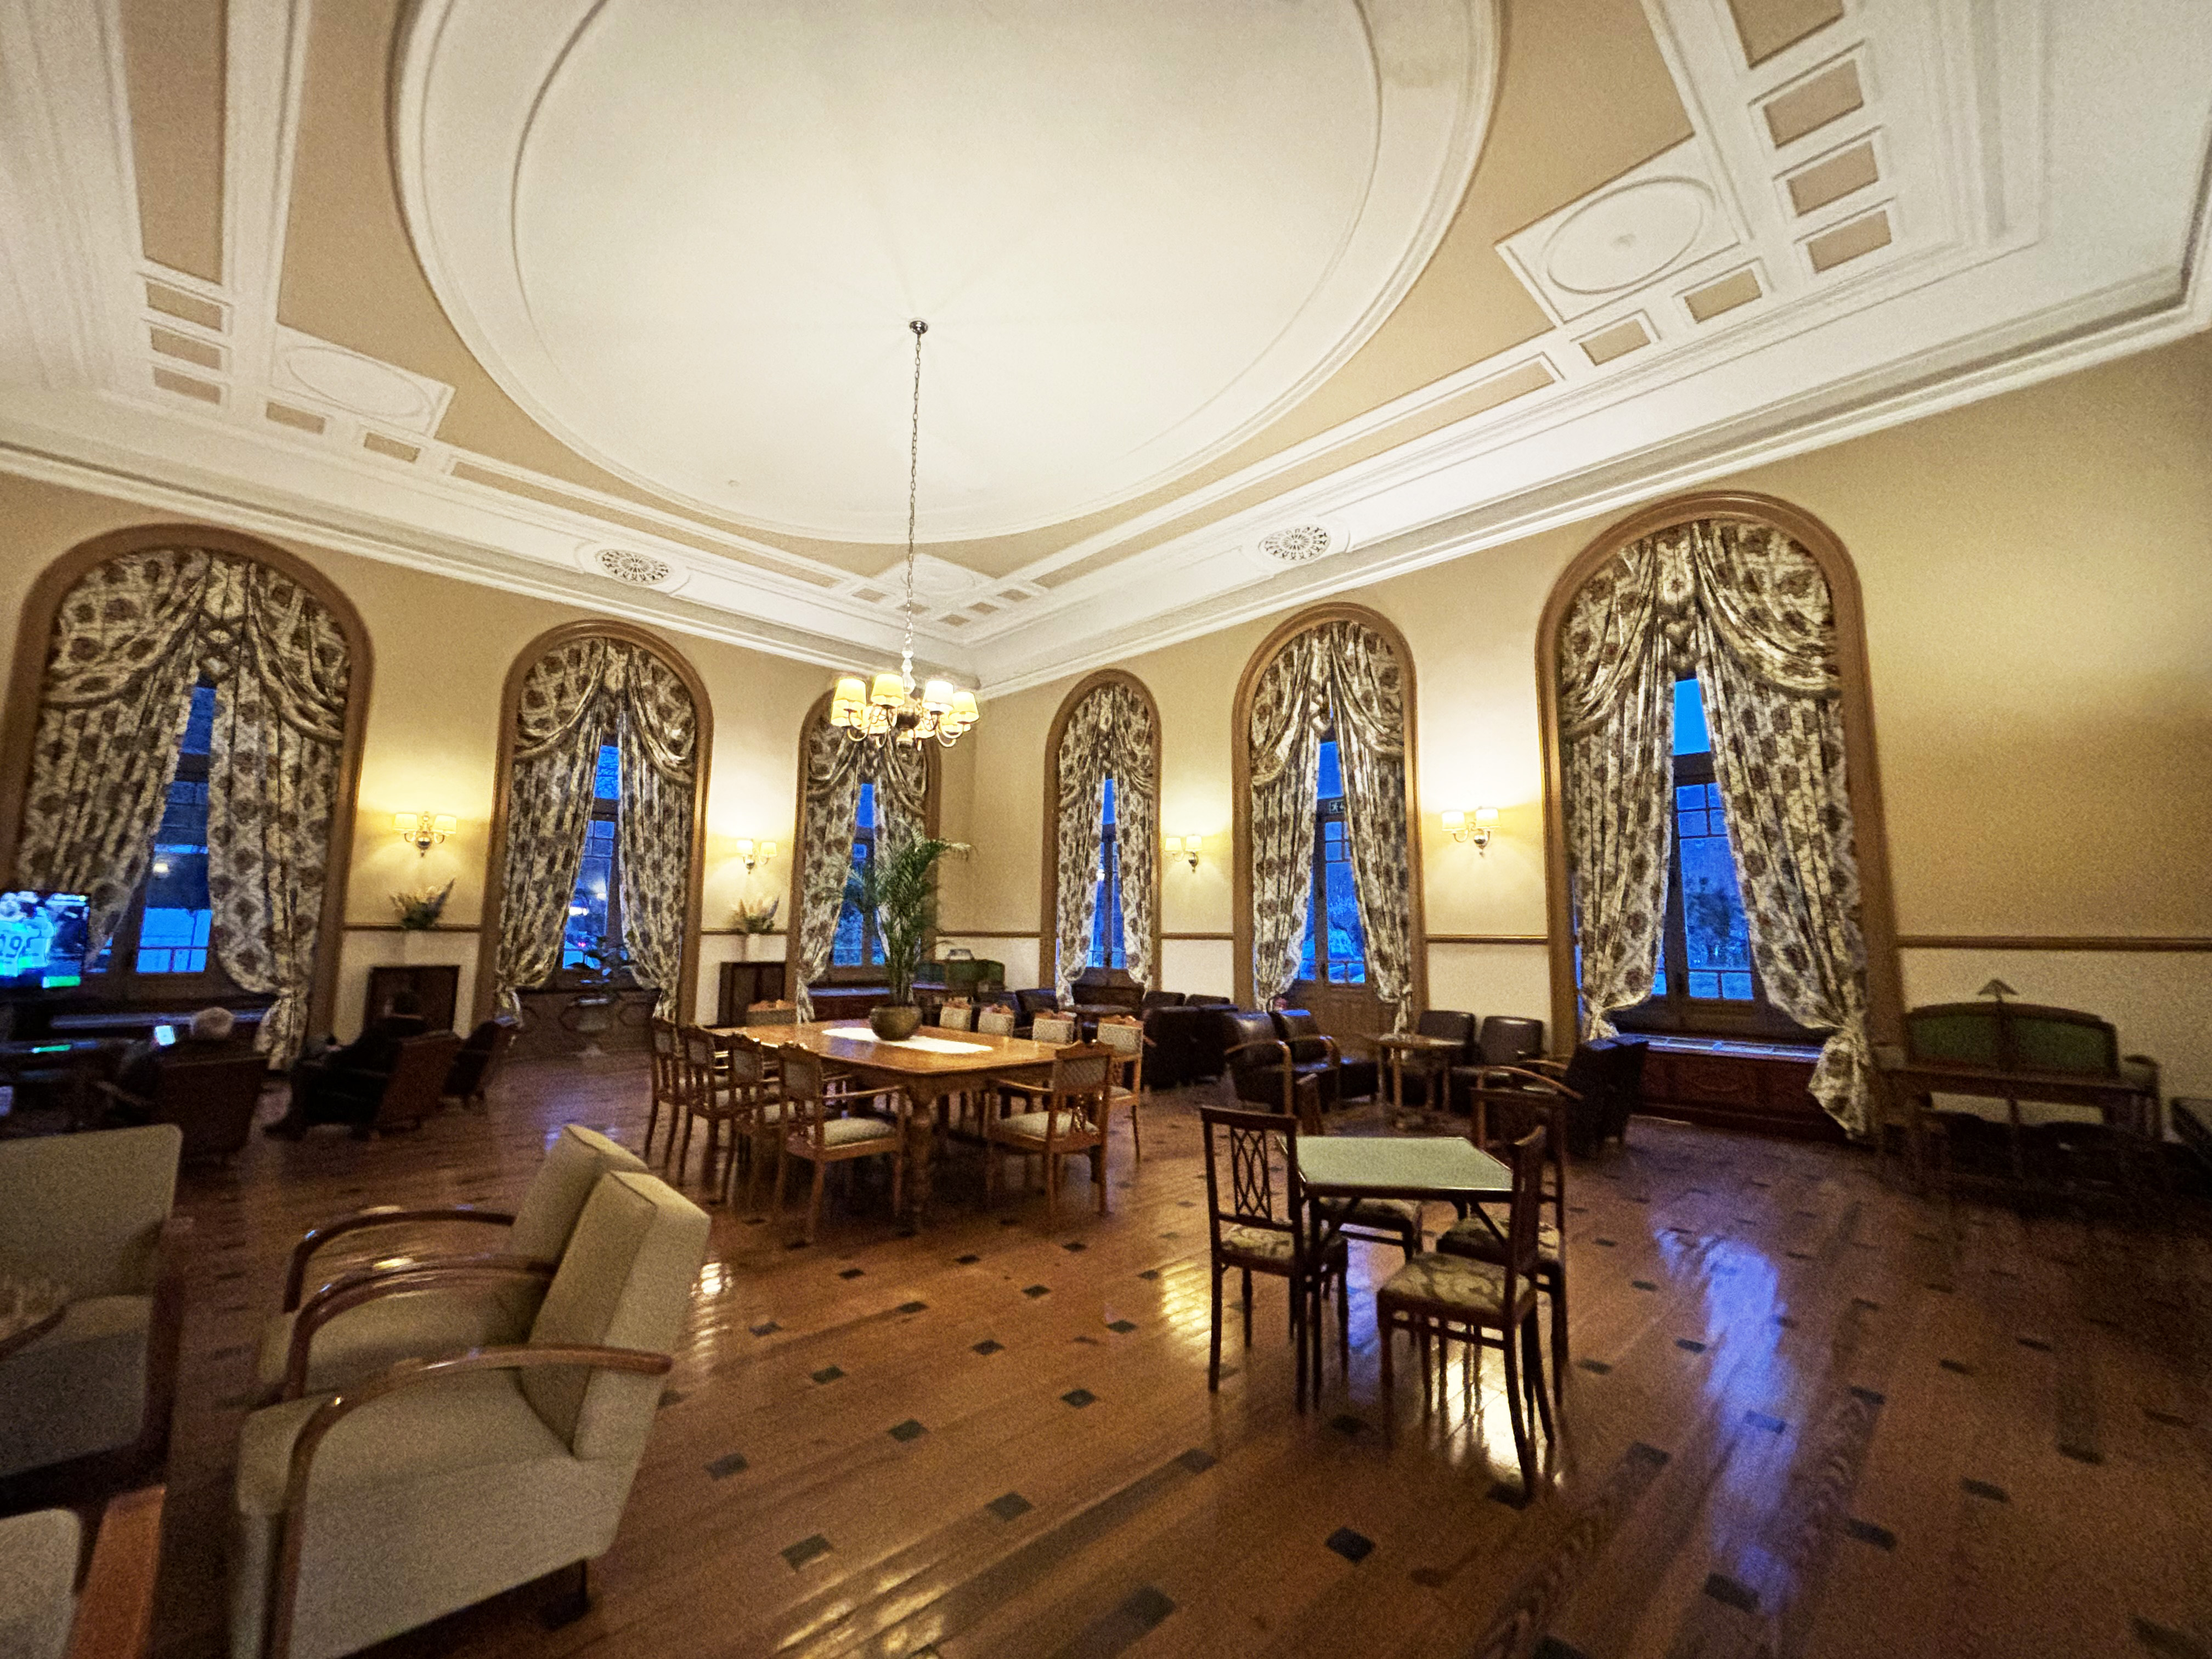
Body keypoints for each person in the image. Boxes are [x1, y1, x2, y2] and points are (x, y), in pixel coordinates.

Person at [267, 990, 430, 1138]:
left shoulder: (381, 1031)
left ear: (392, 1007)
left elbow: (348, 1059)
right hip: (390, 1087)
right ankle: (294, 1117)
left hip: (366, 1087)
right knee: (321, 1046)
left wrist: (331, 1054)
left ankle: (295, 1119)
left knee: (304, 1066)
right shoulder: (426, 1033)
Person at [109, 1006, 251, 1113]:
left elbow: (128, 1086)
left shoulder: (162, 1058)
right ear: (230, 1032)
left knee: (135, 1048)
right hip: (216, 1119)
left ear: (193, 1029)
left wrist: (153, 1052)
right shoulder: (245, 1056)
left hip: (159, 1123)